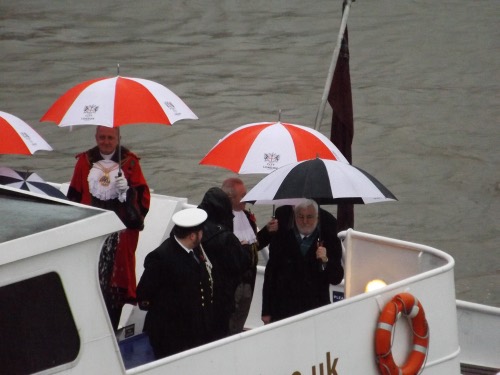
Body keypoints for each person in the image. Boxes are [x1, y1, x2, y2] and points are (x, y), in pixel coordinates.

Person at [67, 126, 150, 331]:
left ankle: (111, 329)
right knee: (91, 283)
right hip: (92, 231)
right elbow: (74, 198)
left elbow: (143, 203)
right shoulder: (84, 162)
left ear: (118, 138)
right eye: (102, 137)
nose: (106, 142)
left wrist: (128, 192)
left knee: (117, 286)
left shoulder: (130, 163)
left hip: (120, 236)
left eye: (110, 138)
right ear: (96, 137)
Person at [136, 208, 214, 359]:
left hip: (193, 330)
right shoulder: (161, 258)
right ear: (192, 236)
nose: (203, 235)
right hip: (172, 333)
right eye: (200, 232)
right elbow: (143, 293)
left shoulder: (194, 250)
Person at [261, 199, 344, 324]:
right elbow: (271, 270)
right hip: (283, 307)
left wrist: (325, 259)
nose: (305, 221)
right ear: (294, 215)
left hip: (315, 307)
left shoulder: (329, 226)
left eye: (310, 217)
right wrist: (266, 310)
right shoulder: (282, 222)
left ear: (318, 217)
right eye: (300, 217)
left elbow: (337, 277)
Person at [221, 177, 278, 334]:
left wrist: (267, 231)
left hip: (248, 282)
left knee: (239, 323)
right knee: (225, 325)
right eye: (242, 195)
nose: (247, 198)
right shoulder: (220, 220)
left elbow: (255, 246)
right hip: (230, 284)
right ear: (229, 198)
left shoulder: (247, 217)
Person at [198, 187, 251, 339]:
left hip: (200, 300)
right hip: (222, 296)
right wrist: (244, 248)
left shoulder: (193, 231)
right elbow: (241, 263)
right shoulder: (225, 237)